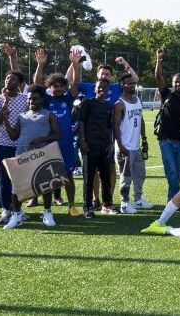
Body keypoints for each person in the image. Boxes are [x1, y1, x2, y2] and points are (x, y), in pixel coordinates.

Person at [2, 85, 61, 229]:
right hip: (21, 154)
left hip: (41, 155)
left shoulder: (49, 115)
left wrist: (42, 139)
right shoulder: (21, 116)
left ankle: (47, 213)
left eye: (34, 99)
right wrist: (5, 120)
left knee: (46, 185)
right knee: (17, 187)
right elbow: (14, 136)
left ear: (42, 99)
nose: (31, 102)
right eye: (29, 99)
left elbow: (57, 135)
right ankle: (16, 216)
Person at [36, 48, 83, 215]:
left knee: (69, 176)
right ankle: (47, 209)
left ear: (64, 87)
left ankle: (71, 205)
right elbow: (37, 84)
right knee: (48, 178)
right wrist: (40, 65)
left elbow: (75, 83)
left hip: (66, 145)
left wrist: (75, 64)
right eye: (54, 86)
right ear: (50, 86)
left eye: (61, 86)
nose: (58, 88)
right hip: (49, 145)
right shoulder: (46, 100)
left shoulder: (67, 99)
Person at [154, 49, 180, 200]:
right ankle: (174, 200)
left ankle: (173, 197)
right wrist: (159, 59)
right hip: (166, 140)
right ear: (172, 83)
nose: (178, 84)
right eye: (175, 82)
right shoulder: (167, 94)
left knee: (177, 173)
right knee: (171, 171)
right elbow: (158, 76)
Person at [0, 70, 28, 224]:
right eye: (6, 78)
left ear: (18, 84)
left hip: (21, 144)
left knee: (19, 180)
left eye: (12, 78)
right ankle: (6, 210)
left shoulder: (25, 99)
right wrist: (5, 102)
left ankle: (18, 210)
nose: (8, 80)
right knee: (4, 179)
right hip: (4, 144)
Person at [78, 78, 117, 218]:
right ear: (95, 89)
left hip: (104, 147)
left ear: (108, 90)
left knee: (106, 177)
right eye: (99, 87)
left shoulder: (108, 106)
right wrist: (82, 140)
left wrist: (111, 143)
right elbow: (81, 122)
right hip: (89, 146)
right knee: (88, 179)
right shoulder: (88, 103)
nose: (102, 89)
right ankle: (87, 207)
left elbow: (109, 127)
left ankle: (107, 204)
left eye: (105, 87)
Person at [114, 73, 152, 214]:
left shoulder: (137, 99)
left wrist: (144, 139)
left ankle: (138, 200)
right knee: (126, 177)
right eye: (128, 83)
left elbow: (140, 120)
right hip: (125, 147)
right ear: (122, 85)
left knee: (140, 175)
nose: (131, 85)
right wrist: (120, 146)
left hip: (136, 146)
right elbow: (116, 126)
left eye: (133, 83)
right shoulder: (119, 103)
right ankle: (124, 203)